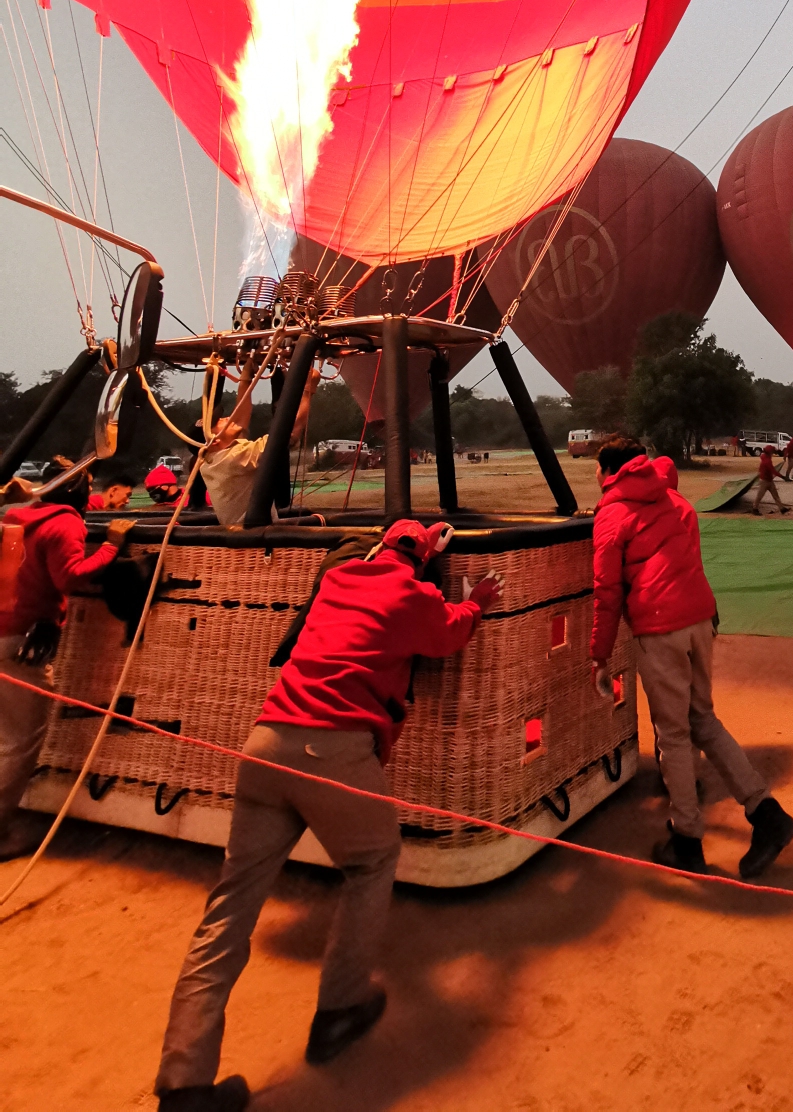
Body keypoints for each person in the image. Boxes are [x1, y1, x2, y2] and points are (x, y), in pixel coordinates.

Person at [154, 518, 503, 1111]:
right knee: (372, 861)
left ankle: (184, 1083)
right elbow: (446, 635)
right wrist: (474, 604)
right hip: (332, 748)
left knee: (229, 909)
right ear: (420, 560)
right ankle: (340, 1007)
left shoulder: (337, 580)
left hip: (264, 744)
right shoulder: (412, 593)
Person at [589, 439, 793, 879]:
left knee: (674, 735)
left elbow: (607, 593)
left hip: (659, 627)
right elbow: (691, 560)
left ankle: (686, 838)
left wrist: (599, 654)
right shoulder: (675, 499)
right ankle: (766, 813)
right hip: (701, 617)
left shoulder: (611, 513)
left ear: (607, 470)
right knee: (703, 719)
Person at [0, 460, 133, 858]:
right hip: (19, 642)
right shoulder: (65, 524)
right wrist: (111, 544)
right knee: (18, 744)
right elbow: (71, 576)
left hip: (5, 628)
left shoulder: (16, 519)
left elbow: (14, 577)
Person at [200, 353, 317, 527]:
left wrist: (246, 375)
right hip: (254, 540)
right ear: (214, 440)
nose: (227, 418)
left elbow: (241, 416)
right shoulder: (233, 459)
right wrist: (308, 388)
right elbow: (290, 430)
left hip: (246, 534)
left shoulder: (216, 458)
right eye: (220, 421)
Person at [752, 443, 785, 516]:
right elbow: (773, 471)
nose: (773, 453)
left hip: (768, 479)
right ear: (770, 452)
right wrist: (783, 477)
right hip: (765, 481)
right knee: (760, 496)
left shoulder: (765, 457)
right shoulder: (767, 461)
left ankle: (782, 508)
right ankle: (754, 509)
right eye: (772, 452)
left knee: (775, 495)